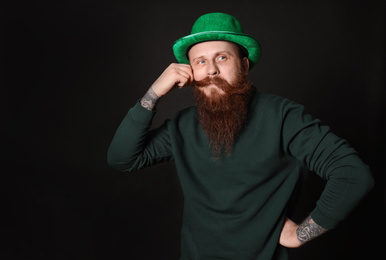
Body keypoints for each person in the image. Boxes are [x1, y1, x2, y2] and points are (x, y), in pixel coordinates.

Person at [107, 13, 374, 260]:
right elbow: (122, 159)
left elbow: (352, 174)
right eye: (200, 61)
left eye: (222, 57)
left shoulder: (283, 116)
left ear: (244, 65)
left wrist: (300, 235)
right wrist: (154, 93)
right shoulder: (182, 126)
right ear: (191, 71)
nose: (211, 70)